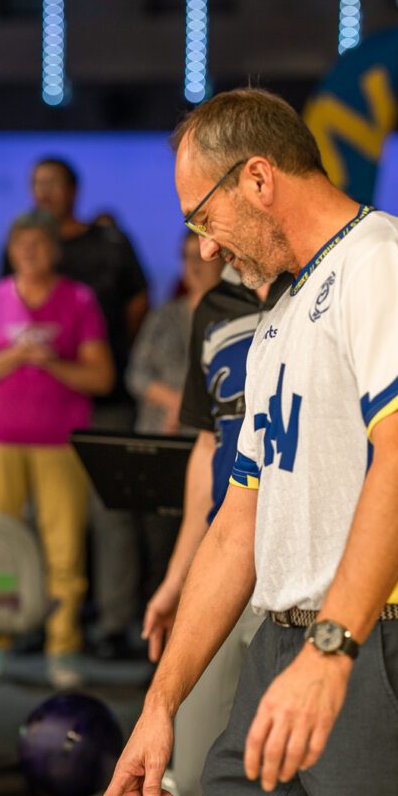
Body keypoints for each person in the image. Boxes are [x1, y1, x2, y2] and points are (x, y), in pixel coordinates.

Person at [92, 89, 398, 796]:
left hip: (383, 644)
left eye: (204, 215)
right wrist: (161, 704)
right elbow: (237, 523)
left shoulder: (386, 259)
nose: (204, 246)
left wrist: (333, 647)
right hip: (279, 648)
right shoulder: (273, 320)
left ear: (260, 178)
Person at [0, 211, 114, 689]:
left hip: (59, 441)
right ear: (9, 250)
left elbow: (101, 377)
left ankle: (62, 646)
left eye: (38, 244)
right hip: (1, 438)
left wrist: (53, 363)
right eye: (20, 244)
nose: (29, 252)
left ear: (55, 250)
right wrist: (14, 355)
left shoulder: (78, 299)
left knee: (64, 548)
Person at [4, 158, 149, 658]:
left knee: (108, 515)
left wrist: (106, 355)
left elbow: (136, 303)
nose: (43, 191)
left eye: (53, 183)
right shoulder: (24, 244)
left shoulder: (108, 242)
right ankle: (35, 620)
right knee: (41, 518)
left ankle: (112, 623)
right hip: (41, 408)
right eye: (36, 183)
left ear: (73, 189)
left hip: (102, 397)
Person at [126, 231, 223, 610]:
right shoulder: (166, 314)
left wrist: (188, 406)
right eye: (185, 258)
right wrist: (176, 401)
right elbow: (136, 374)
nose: (194, 266)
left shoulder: (238, 316)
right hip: (162, 442)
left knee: (206, 541)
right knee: (157, 542)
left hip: (210, 443)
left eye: (201, 257)